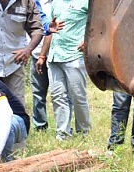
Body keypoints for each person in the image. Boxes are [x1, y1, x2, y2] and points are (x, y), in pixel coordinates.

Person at [34, 0, 90, 141]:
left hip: (74, 55)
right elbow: (50, 31)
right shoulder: (56, 3)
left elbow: (98, 24)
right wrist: (42, 56)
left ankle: (84, 132)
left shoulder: (86, 2)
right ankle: (63, 133)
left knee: (78, 96)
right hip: (54, 57)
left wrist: (89, 40)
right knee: (58, 96)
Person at [0, 0, 44, 109]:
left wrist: (28, 49)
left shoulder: (26, 2)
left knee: (17, 108)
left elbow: (37, 29)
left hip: (14, 64)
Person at [30, 0, 53, 130]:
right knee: (37, 92)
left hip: (56, 56)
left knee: (60, 94)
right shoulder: (31, 2)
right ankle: (40, 125)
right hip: (36, 54)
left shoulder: (58, 3)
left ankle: (63, 127)